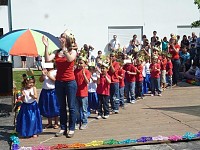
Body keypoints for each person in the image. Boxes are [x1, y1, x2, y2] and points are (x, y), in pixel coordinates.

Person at [42, 30, 77, 138]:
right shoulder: (57, 51)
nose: (60, 38)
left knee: (71, 107)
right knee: (61, 106)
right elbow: (48, 59)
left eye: (63, 37)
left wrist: (65, 49)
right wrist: (46, 46)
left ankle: (71, 128)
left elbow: (70, 59)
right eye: (60, 37)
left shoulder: (73, 51)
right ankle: (63, 127)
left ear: (67, 39)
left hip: (70, 82)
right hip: (59, 82)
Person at [38, 63, 60, 129]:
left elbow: (56, 81)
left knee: (54, 106)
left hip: (53, 91)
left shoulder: (55, 72)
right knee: (47, 106)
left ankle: (56, 122)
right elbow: (41, 80)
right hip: (45, 90)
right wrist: (43, 75)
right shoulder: (45, 72)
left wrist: (49, 75)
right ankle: (49, 122)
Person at [74, 56, 91, 130]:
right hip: (76, 93)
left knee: (84, 109)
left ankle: (84, 122)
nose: (79, 64)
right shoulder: (75, 71)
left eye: (81, 63)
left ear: (84, 64)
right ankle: (78, 122)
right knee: (77, 110)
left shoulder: (87, 71)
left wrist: (84, 74)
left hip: (83, 93)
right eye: (79, 63)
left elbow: (87, 82)